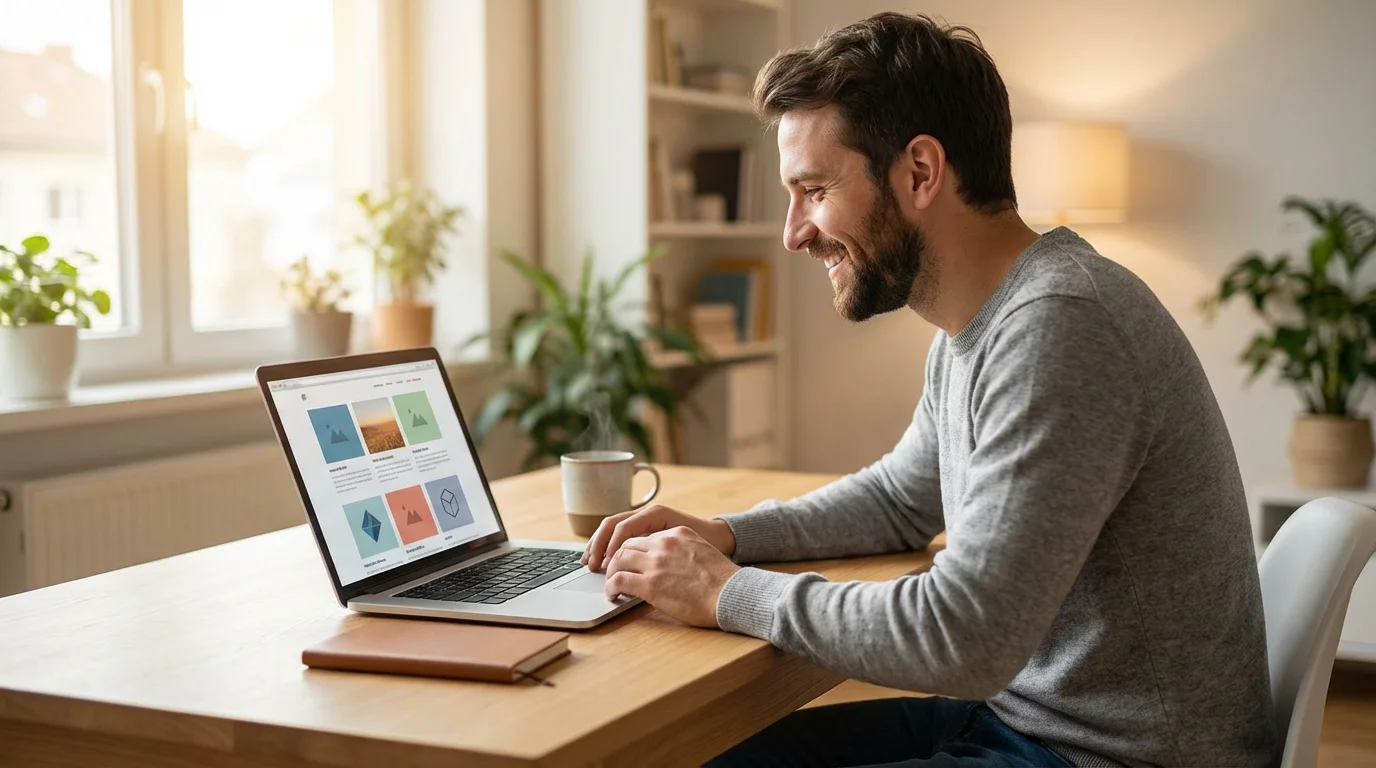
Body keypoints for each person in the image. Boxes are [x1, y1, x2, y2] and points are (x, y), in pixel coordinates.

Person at [580, 11, 1276, 767]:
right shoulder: (983, 323)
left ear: (919, 172)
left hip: (1109, 755)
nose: (793, 233)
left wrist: (728, 591)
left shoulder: (1061, 325)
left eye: (813, 189)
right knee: (696, 753)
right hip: (1032, 721)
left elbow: (965, 635)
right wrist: (729, 536)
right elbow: (900, 498)